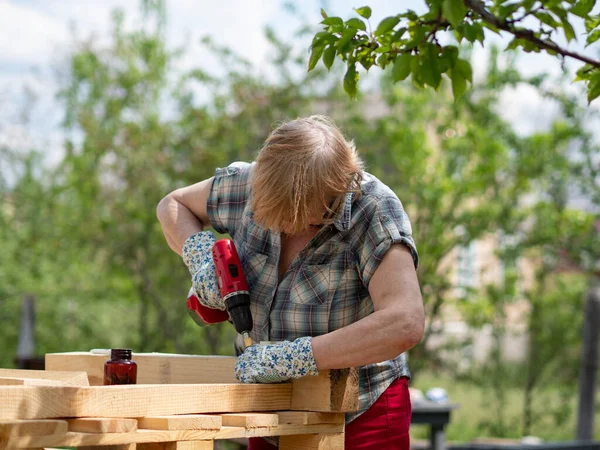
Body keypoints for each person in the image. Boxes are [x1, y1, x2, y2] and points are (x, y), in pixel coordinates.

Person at [156, 115, 424, 449]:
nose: (286, 229)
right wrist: (199, 257)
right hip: (268, 408)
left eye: (299, 218)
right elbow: (172, 204)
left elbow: (405, 321)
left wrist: (294, 357)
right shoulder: (249, 182)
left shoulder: (374, 211)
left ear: (337, 191)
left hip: (359, 411)